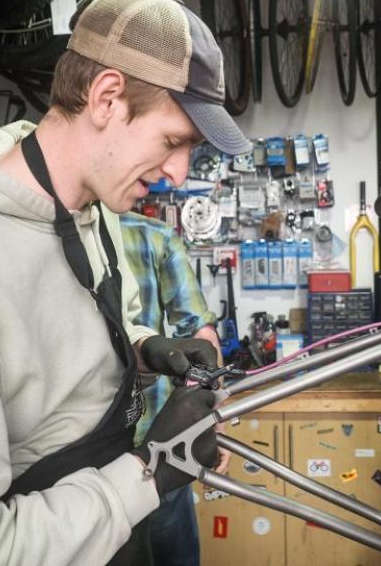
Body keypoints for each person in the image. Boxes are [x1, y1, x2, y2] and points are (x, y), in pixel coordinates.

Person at [0, 0, 252, 566]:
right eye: (174, 142)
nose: (178, 172)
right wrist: (148, 473)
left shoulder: (92, 210)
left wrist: (148, 349)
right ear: (106, 97)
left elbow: (63, 353)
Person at [122, 212, 232, 566]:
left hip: (76, 458)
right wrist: (216, 420)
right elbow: (201, 335)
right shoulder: (152, 234)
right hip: (157, 449)